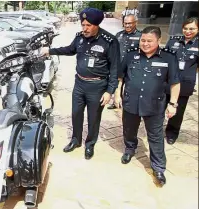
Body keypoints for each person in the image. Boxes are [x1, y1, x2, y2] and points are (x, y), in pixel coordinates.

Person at [41, 8, 120, 160]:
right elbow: (70, 50)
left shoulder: (109, 41)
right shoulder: (80, 37)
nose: (84, 28)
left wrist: (109, 91)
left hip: (97, 87)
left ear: (97, 24)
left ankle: (90, 144)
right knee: (76, 114)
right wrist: (50, 51)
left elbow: (114, 69)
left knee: (93, 118)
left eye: (88, 25)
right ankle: (76, 140)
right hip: (79, 84)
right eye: (83, 24)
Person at [114, 26, 181, 186]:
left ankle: (158, 167)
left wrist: (173, 104)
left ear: (159, 41)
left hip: (155, 105)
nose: (145, 44)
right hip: (131, 102)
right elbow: (120, 77)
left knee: (155, 137)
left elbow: (175, 83)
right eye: (142, 40)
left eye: (149, 41)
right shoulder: (131, 55)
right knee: (129, 130)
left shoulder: (168, 58)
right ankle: (130, 150)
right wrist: (117, 94)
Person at [164, 17, 198, 145]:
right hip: (168, 81)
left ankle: (172, 133)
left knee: (178, 111)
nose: (188, 31)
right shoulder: (173, 41)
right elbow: (165, 58)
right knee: (159, 106)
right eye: (185, 28)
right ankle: (155, 128)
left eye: (192, 29)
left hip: (185, 83)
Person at [108, 14, 141, 110]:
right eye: (125, 23)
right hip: (119, 65)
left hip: (132, 66)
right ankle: (116, 102)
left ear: (135, 23)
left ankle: (130, 105)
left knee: (130, 87)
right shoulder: (119, 34)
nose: (127, 26)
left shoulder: (140, 36)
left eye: (130, 23)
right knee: (118, 84)